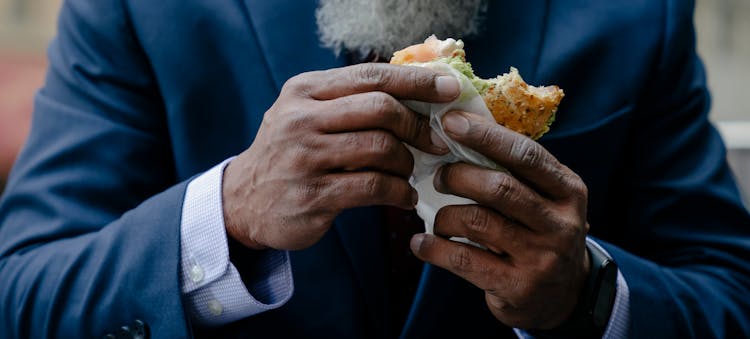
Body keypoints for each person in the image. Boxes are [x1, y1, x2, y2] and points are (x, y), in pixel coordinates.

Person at [1, 0, 749, 338]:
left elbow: (728, 295)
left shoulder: (637, 14)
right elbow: (22, 293)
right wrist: (225, 214)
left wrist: (587, 297)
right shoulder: (134, 8)